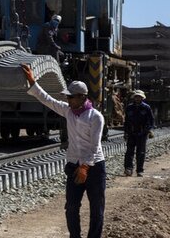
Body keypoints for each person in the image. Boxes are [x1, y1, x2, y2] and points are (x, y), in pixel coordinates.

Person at [21, 64, 105, 238]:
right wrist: (32, 81)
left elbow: (94, 146)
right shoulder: (68, 111)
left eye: (71, 97)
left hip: (94, 167)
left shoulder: (95, 117)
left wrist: (85, 167)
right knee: (72, 207)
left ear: (82, 97)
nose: (68, 100)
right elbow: (47, 100)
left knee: (97, 208)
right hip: (74, 166)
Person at [123, 89, 154, 177]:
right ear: (134, 98)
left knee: (141, 152)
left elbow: (151, 120)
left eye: (139, 97)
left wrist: (149, 130)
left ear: (142, 98)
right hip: (131, 133)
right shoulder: (129, 107)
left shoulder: (146, 108)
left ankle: (139, 170)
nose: (137, 98)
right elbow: (126, 121)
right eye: (136, 97)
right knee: (129, 152)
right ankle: (128, 169)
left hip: (142, 133)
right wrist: (125, 132)